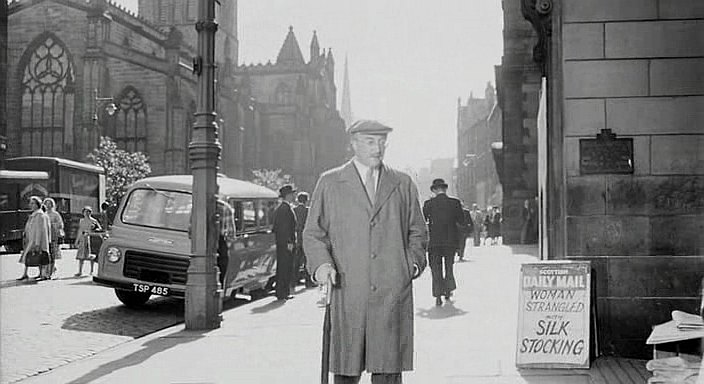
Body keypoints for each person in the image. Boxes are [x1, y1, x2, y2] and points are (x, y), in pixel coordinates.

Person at [304, 119, 428, 384]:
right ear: (353, 143)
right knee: (346, 368)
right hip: (348, 289)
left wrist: (410, 265)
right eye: (370, 141)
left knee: (387, 370)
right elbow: (314, 233)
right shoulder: (330, 182)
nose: (378, 148)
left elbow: (417, 231)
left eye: (382, 142)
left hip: (392, 291)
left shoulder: (403, 184)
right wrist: (322, 265)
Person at [423, 179, 465, 306]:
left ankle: (437, 295)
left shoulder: (428, 204)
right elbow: (461, 221)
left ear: (434, 190)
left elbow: (423, 220)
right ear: (445, 189)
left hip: (434, 242)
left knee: (436, 268)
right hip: (450, 241)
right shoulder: (455, 203)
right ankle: (448, 290)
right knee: (449, 266)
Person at [272, 184, 298, 300]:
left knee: (285, 267)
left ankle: (283, 291)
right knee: (285, 267)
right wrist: (289, 242)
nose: (294, 196)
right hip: (285, 243)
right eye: (292, 194)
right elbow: (284, 228)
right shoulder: (284, 209)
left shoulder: (284, 208)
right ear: (287, 195)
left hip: (284, 243)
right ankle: (283, 292)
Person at [17, 196, 51, 281]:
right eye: (30, 203)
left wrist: (37, 243)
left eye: (32, 203)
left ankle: (42, 274)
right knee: (29, 256)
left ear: (37, 204)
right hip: (31, 239)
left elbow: (40, 229)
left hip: (36, 240)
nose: (30, 205)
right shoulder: (34, 214)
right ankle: (27, 273)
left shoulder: (39, 215)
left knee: (40, 256)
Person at [293, 192, 315, 288]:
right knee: (307, 261)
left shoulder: (294, 210)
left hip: (297, 238)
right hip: (306, 239)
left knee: (296, 262)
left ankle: (293, 281)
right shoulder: (308, 211)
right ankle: (308, 281)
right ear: (306, 200)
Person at [74, 206, 101, 277]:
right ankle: (80, 271)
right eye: (86, 211)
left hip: (91, 238)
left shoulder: (94, 221)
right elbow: (80, 231)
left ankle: (91, 270)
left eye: (89, 211)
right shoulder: (81, 221)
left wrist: (93, 230)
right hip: (83, 239)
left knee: (91, 256)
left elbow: (99, 229)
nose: (87, 213)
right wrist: (77, 241)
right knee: (81, 256)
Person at [42, 198, 64, 279]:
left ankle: (50, 272)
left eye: (49, 203)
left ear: (52, 205)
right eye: (46, 203)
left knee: (53, 255)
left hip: (54, 236)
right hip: (45, 236)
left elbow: (60, 224)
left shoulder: (55, 214)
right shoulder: (43, 213)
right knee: (46, 255)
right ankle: (47, 270)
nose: (48, 205)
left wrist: (52, 224)